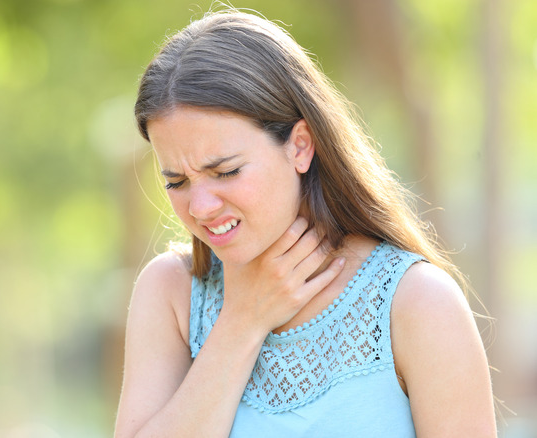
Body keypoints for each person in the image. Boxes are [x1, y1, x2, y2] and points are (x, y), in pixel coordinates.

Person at [114, 9, 496, 438]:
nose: (200, 207)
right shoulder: (170, 294)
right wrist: (242, 322)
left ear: (300, 146)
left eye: (225, 172)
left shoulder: (417, 303)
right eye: (177, 181)